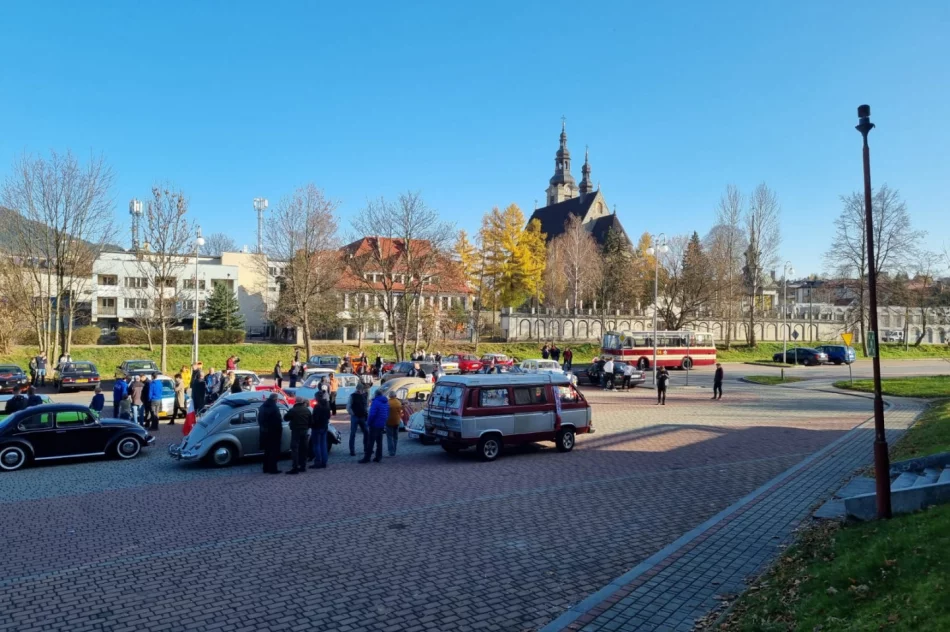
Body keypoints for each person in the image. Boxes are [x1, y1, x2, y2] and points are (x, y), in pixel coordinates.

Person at [360, 389, 389, 464]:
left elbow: (372, 414)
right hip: (381, 424)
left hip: (374, 424)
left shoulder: (375, 402)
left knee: (370, 442)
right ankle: (378, 457)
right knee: (379, 442)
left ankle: (367, 458)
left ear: (376, 394)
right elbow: (387, 413)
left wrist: (368, 423)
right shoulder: (386, 402)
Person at [284, 398, 311, 474]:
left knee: (294, 448)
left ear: (295, 402)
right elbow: (311, 421)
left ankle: (295, 467)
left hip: (296, 430)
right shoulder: (307, 410)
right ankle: (303, 466)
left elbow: (286, 418)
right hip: (304, 430)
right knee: (303, 448)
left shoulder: (293, 410)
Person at [258, 393, 283, 474]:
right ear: (275, 399)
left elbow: (259, 419)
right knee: (273, 451)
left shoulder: (262, 406)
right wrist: (279, 431)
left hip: (264, 431)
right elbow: (278, 421)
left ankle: (266, 468)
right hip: (273, 432)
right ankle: (273, 469)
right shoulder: (274, 408)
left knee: (267, 451)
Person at [347, 383, 369, 456]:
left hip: (361, 416)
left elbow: (366, 405)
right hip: (356, 416)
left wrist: (365, 412)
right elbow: (348, 406)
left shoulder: (364, 395)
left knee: (365, 432)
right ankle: (352, 450)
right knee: (353, 433)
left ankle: (366, 448)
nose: (361, 391)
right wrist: (352, 413)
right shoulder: (353, 396)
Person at [310, 393, 331, 469]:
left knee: (316, 445)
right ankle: (324, 461)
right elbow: (328, 416)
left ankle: (318, 461)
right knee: (323, 445)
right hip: (324, 427)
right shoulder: (327, 405)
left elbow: (315, 418)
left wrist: (312, 423)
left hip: (317, 427)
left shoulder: (317, 406)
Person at [386, 392, 402, 457]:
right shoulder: (398, 402)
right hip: (396, 421)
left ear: (389, 396)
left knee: (389, 437)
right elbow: (400, 412)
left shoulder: (387, 403)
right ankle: (394, 450)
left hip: (389, 421)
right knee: (395, 437)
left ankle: (391, 452)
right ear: (395, 395)